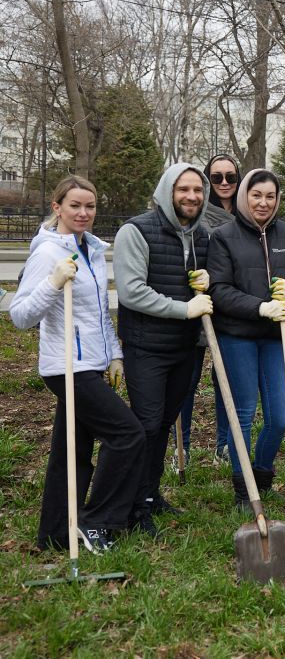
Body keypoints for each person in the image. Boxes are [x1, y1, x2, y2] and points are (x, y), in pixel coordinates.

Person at [10, 176, 144, 554]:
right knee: (127, 434)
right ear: (58, 208)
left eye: (90, 206)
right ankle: (96, 520)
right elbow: (20, 316)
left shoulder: (93, 250)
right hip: (66, 365)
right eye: (75, 206)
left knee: (71, 449)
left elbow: (98, 312)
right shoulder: (47, 253)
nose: (84, 213)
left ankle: (54, 533)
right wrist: (52, 283)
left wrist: (115, 353)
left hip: (93, 362)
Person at [112, 162, 214, 536]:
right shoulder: (136, 231)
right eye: (183, 189)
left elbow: (207, 287)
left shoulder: (202, 236)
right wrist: (183, 309)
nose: (191, 196)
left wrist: (209, 281)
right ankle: (132, 508)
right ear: (167, 192)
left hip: (185, 349)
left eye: (197, 190)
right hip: (147, 348)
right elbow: (132, 291)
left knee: (164, 423)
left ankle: (151, 495)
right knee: (147, 425)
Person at [207, 168, 285, 509]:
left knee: (281, 417)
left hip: (275, 337)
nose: (263, 203)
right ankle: (243, 488)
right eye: (256, 196)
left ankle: (262, 473)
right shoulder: (223, 236)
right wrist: (261, 308)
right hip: (237, 336)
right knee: (243, 414)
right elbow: (220, 290)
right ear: (244, 197)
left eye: (270, 196)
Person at [178, 154, 240, 463]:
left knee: (226, 379)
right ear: (207, 181)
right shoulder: (194, 215)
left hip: (229, 307)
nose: (225, 183)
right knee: (187, 379)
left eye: (231, 177)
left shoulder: (246, 214)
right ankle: (182, 446)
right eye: (217, 178)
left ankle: (225, 446)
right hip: (196, 304)